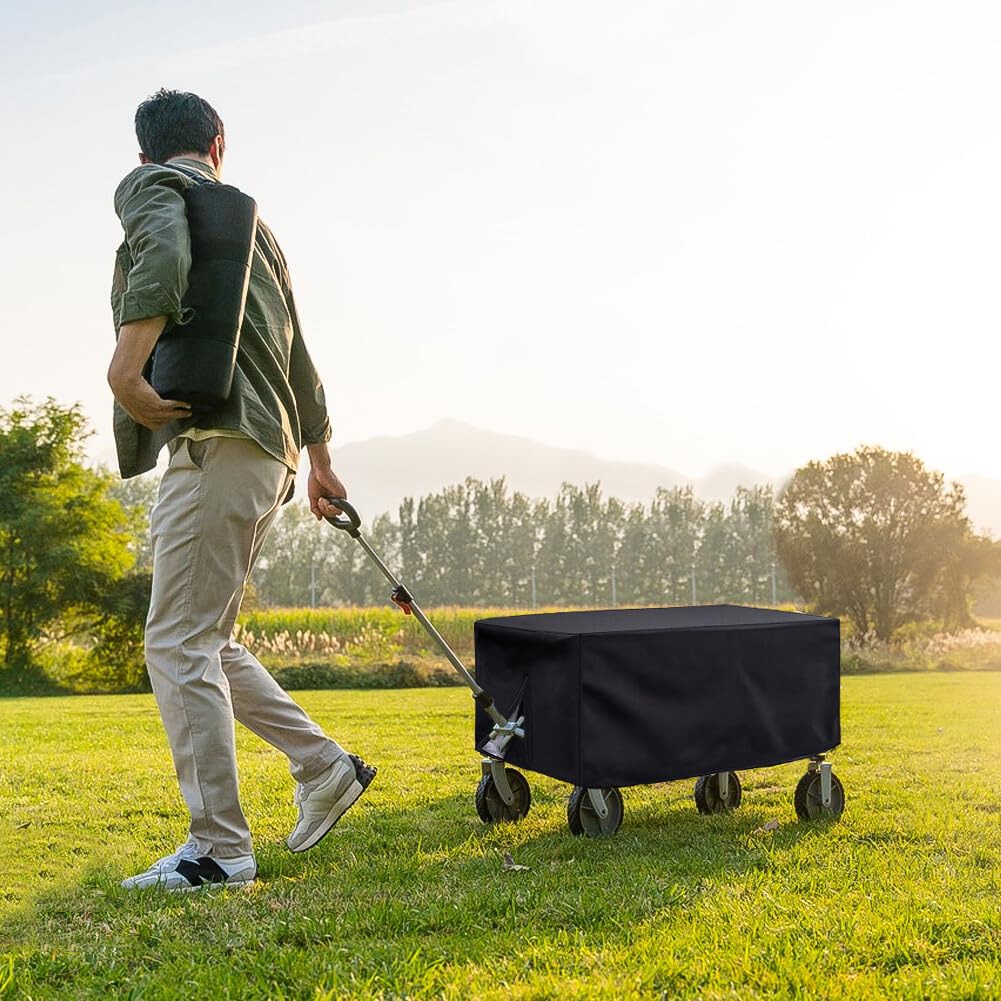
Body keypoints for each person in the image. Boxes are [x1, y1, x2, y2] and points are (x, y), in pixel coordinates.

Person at [107, 88, 375, 891]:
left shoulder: (156, 188)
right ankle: (323, 765)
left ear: (149, 153)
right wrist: (320, 459)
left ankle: (219, 851)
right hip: (273, 452)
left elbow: (159, 256)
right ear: (219, 144)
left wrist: (125, 364)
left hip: (219, 440)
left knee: (177, 642)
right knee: (209, 639)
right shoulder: (259, 230)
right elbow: (299, 350)